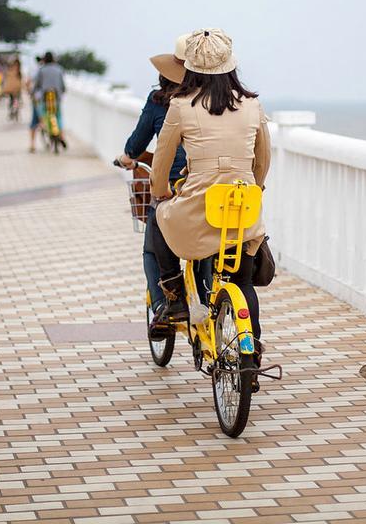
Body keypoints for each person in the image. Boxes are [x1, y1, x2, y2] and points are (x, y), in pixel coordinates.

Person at [146, 28, 271, 376]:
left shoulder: (180, 106)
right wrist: (255, 187)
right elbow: (263, 160)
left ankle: (173, 293)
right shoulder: (252, 105)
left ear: (190, 69)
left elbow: (162, 161)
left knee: (158, 216)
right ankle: (252, 350)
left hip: (199, 210)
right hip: (242, 209)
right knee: (242, 283)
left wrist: (161, 192)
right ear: (230, 66)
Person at [114, 35, 190, 332]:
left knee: (152, 249)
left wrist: (127, 157)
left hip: (173, 185)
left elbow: (137, 143)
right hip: (210, 185)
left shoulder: (162, 102)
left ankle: (162, 306)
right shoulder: (211, 99)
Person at [33, 51, 67, 149]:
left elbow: (36, 85)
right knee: (58, 116)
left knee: (43, 115)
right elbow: (63, 86)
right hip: (56, 99)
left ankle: (44, 126)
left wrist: (33, 93)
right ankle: (61, 135)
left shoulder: (41, 70)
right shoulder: (59, 69)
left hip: (45, 99)